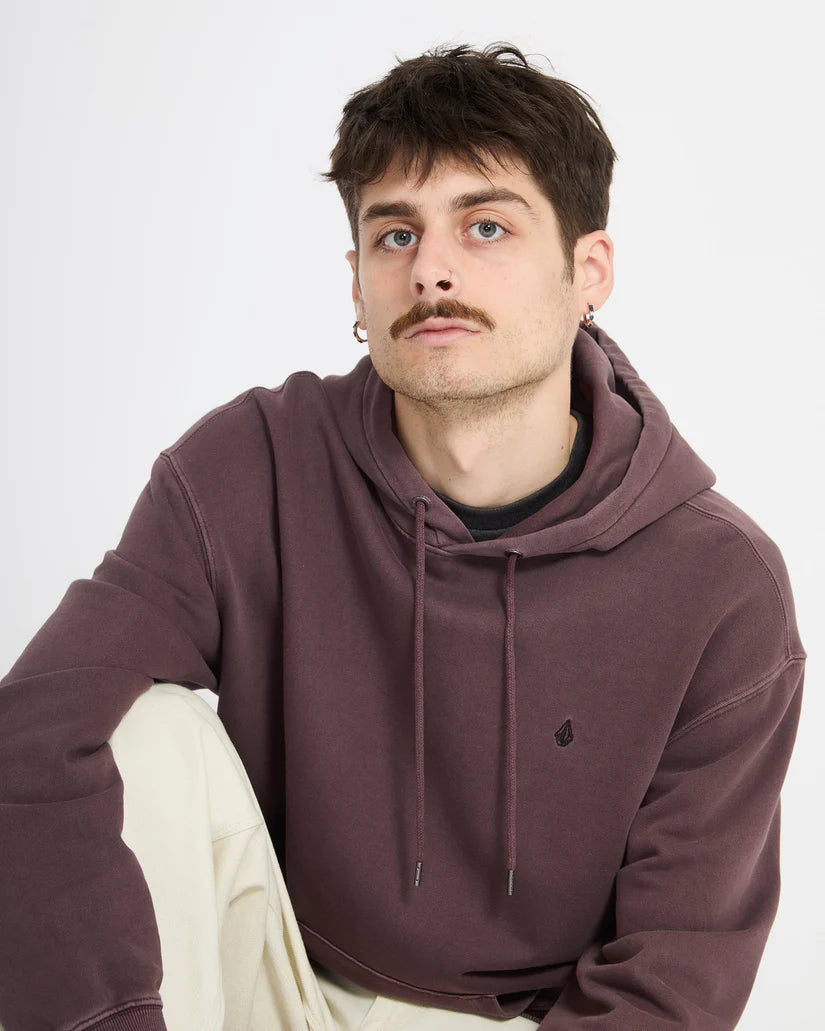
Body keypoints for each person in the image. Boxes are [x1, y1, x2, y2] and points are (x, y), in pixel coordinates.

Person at [0, 41, 807, 1031]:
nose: (431, 269)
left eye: (485, 226)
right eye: (395, 235)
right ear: (356, 283)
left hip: (520, 1022)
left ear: (587, 270)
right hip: (276, 979)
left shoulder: (719, 584)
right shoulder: (248, 467)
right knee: (143, 729)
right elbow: (35, 727)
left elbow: (671, 979)